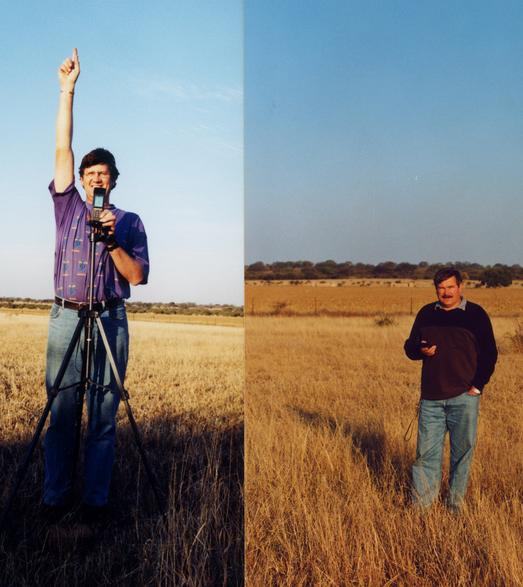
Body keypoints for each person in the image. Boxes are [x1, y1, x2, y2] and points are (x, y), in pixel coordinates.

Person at [42, 48, 149, 523]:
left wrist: (110, 243)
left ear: (114, 181)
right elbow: (63, 148)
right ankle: (54, 497)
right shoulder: (67, 207)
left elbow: (138, 276)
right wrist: (68, 90)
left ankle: (96, 503)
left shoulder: (129, 221)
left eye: (104, 174)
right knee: (62, 411)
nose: (96, 180)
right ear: (81, 182)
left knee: (103, 415)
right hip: (66, 315)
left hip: (110, 316)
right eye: (90, 175)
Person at [404, 268, 497, 512]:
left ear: (460, 287)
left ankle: (454, 506)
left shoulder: (476, 315)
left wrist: (477, 387)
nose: (445, 293)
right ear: (436, 289)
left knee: (461, 455)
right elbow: (410, 347)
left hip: (464, 398)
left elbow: (489, 354)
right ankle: (422, 508)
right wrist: (420, 351)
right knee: (425, 456)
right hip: (431, 399)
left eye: (450, 287)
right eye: (441, 288)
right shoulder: (426, 313)